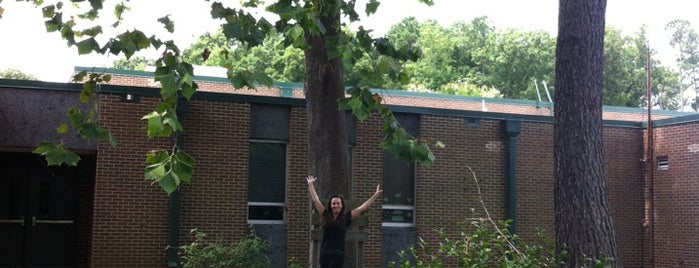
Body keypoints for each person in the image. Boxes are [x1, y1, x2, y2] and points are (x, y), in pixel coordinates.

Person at [306, 175, 382, 268]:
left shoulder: (346, 217)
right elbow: (316, 200)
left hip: (338, 253)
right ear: (330, 205)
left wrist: (375, 196)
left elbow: (362, 208)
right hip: (325, 252)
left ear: (342, 206)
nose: (336, 205)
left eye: (338, 203)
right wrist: (310, 185)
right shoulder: (325, 215)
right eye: (333, 203)